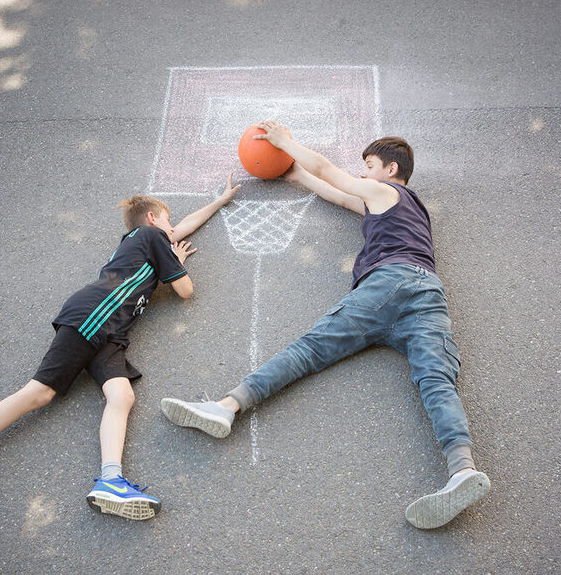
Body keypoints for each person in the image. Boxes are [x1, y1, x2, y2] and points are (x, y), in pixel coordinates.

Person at [161, 121, 489, 529]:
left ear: (390, 170)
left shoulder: (387, 190)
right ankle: (462, 470)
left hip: (388, 286)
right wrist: (298, 177)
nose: (363, 173)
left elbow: (333, 173)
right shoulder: (397, 206)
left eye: (368, 165)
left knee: (309, 350)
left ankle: (227, 406)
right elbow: (337, 193)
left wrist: (287, 144)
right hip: (426, 295)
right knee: (437, 378)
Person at [0, 176, 240, 520]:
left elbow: (182, 228)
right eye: (168, 219)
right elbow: (185, 290)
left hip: (112, 333)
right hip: (94, 317)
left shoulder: (148, 240)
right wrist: (176, 263)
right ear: (152, 220)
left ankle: (111, 481)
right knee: (39, 394)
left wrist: (220, 202)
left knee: (122, 396)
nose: (173, 228)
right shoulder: (152, 237)